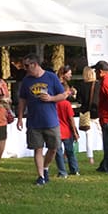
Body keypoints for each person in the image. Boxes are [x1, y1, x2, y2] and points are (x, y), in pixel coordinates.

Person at [16, 53, 69, 186]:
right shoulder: (26, 81)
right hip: (34, 121)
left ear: (35, 64)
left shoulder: (51, 77)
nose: (25, 69)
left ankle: (45, 168)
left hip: (51, 120)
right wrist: (20, 118)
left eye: (27, 66)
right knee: (37, 149)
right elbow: (22, 100)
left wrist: (51, 98)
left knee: (53, 148)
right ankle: (40, 176)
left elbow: (63, 95)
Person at [54, 67, 80, 177]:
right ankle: (74, 169)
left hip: (56, 130)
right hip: (67, 131)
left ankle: (62, 171)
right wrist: (75, 131)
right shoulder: (67, 104)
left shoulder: (53, 104)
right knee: (70, 152)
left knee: (58, 152)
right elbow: (71, 119)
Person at [76, 65, 99, 164]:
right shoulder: (99, 84)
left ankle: (91, 157)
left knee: (88, 136)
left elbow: (79, 100)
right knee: (103, 134)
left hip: (86, 112)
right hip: (97, 111)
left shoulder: (81, 86)